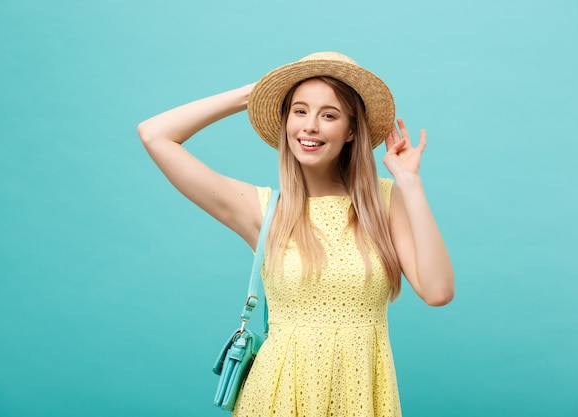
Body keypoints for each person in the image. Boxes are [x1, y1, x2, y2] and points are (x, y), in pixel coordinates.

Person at [138, 52, 454, 417]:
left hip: (361, 398)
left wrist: (410, 183)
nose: (311, 126)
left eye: (329, 114)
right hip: (276, 399)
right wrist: (253, 94)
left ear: (352, 130)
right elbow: (155, 134)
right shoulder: (263, 209)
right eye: (299, 111)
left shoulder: (385, 202)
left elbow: (438, 291)